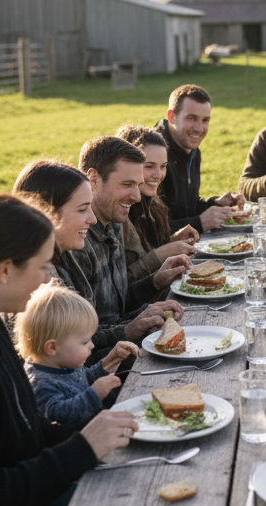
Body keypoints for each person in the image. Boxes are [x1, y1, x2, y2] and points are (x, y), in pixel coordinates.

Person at [0, 193, 161, 506]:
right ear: (5, 269)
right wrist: (82, 448)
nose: (51, 277)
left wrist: (93, 433)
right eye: (44, 266)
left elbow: (25, 429)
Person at [13, 159, 184, 364]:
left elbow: (94, 325)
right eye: (82, 209)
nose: (92, 219)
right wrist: (128, 333)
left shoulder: (63, 256)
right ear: (45, 211)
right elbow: (76, 359)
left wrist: (153, 285)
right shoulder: (40, 281)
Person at [72, 137, 190, 364]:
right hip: (103, 368)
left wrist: (154, 282)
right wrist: (128, 330)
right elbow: (75, 337)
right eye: (127, 185)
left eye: (138, 185)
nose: (137, 197)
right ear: (93, 179)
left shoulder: (114, 221)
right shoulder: (76, 241)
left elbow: (117, 306)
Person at [19, 282, 140, 429]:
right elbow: (62, 417)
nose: (92, 345)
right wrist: (95, 394)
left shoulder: (62, 362)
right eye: (85, 342)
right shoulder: (40, 384)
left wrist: (111, 360)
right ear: (52, 347)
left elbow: (83, 381)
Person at [116, 124, 199, 282]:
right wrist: (162, 253)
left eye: (163, 166)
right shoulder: (118, 211)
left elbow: (146, 251)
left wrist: (172, 241)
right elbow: (121, 284)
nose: (159, 175)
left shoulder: (153, 204)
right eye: (149, 166)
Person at [155, 83, 243, 233]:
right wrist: (199, 223)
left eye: (205, 120)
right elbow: (148, 231)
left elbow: (185, 208)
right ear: (172, 117)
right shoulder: (153, 156)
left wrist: (215, 203)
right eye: (192, 118)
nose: (199, 128)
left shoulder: (192, 150)